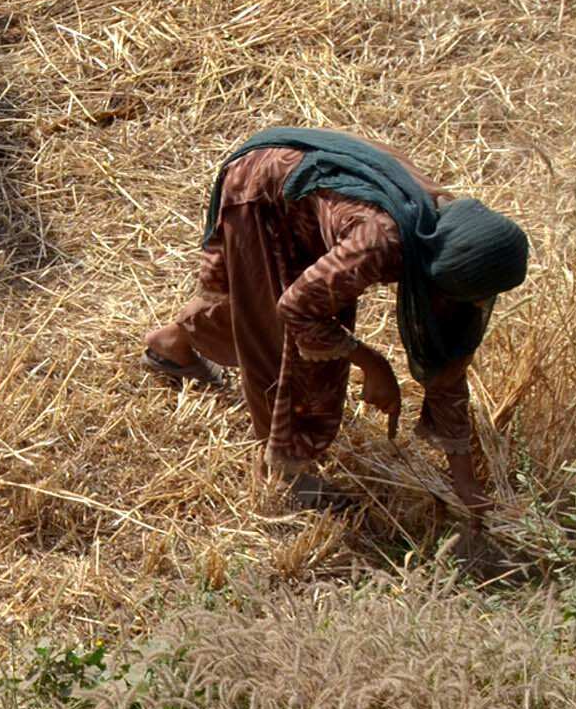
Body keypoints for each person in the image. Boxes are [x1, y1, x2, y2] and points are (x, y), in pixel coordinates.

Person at [143, 126, 529, 523]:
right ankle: (287, 477)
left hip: (297, 179)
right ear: (442, 278)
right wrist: (370, 362)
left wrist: (465, 484)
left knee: (249, 297)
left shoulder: (454, 237)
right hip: (262, 188)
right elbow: (295, 310)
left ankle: (171, 346)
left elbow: (448, 355)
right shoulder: (381, 241)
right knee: (285, 344)